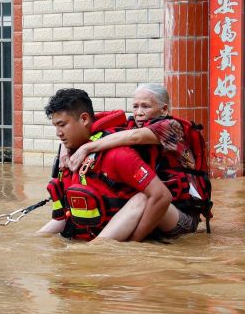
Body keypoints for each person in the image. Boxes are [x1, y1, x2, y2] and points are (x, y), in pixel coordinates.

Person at [66, 83, 210, 237]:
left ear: (164, 109)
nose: (139, 113)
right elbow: (95, 128)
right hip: (154, 206)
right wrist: (66, 148)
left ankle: (107, 248)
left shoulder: (172, 127)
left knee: (144, 197)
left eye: (145, 107)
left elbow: (136, 137)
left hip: (181, 216)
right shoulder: (133, 126)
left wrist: (86, 148)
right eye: (135, 106)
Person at [41, 88, 172, 242]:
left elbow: (162, 196)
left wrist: (133, 244)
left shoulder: (118, 154)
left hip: (172, 214)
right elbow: (66, 216)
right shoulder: (73, 157)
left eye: (62, 125)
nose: (58, 133)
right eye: (55, 126)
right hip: (93, 232)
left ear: (84, 119)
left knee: (142, 198)